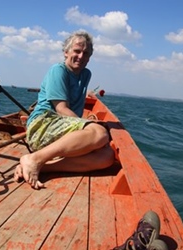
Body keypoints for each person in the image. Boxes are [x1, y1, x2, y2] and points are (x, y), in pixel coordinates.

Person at [14, 30, 115, 189]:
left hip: (64, 126)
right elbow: (61, 109)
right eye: (77, 51)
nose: (81, 56)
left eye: (86, 53)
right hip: (43, 124)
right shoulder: (58, 70)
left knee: (107, 157)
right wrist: (88, 124)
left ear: (89, 57)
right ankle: (35, 159)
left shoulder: (85, 74)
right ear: (66, 52)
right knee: (100, 133)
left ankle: (40, 166)